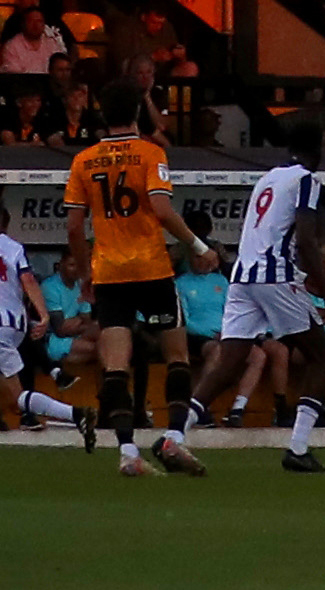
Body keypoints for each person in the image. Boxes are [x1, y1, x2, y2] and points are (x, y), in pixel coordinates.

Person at [66, 91, 208, 476]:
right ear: (134, 113)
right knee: (177, 356)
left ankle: (128, 452)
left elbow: (74, 226)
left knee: (115, 365)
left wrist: (84, 272)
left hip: (110, 273)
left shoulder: (83, 160)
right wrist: (197, 245)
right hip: (152, 270)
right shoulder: (150, 154)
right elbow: (161, 210)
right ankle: (173, 440)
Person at [178, 151, 325, 473]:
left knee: (229, 363)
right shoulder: (306, 179)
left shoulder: (266, 178)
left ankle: (174, 435)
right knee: (323, 357)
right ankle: (297, 447)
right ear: (316, 151)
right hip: (275, 275)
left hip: (242, 275)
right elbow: (306, 240)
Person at [0, 219, 88, 437]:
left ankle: (76, 414)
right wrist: (44, 315)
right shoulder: (12, 247)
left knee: (17, 395)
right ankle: (69, 402)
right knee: (14, 391)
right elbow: (28, 280)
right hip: (13, 325)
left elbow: (29, 280)